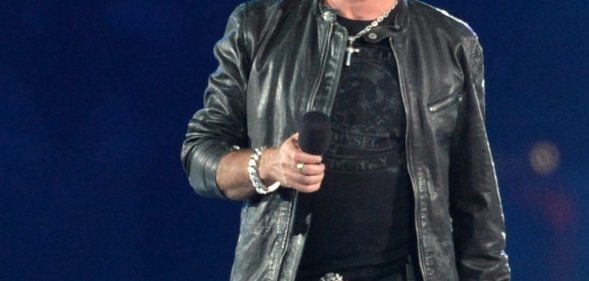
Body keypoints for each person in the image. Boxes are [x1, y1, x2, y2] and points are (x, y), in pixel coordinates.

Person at [181, 0, 511, 280]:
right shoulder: (258, 25)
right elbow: (201, 157)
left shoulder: (450, 42)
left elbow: (476, 202)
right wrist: (269, 165)